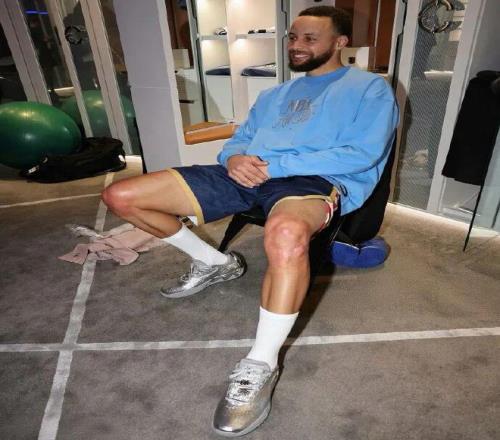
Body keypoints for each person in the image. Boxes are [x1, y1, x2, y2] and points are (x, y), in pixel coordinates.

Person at [102, 6, 399, 437]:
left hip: (312, 179)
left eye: (310, 38)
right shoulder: (274, 95)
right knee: (121, 196)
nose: (296, 46)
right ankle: (215, 263)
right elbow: (238, 141)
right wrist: (233, 159)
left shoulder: (369, 88)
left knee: (286, 236)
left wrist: (273, 166)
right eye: (293, 37)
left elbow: (361, 154)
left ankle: (261, 363)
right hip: (247, 173)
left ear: (340, 43)